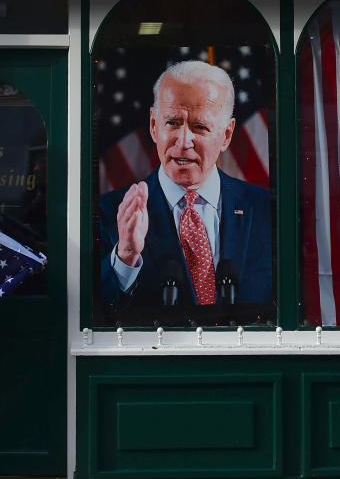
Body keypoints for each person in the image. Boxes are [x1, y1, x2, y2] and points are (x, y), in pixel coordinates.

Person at [98, 60, 272, 315]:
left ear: (226, 135)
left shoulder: (266, 210)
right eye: (173, 123)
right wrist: (126, 255)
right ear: (153, 125)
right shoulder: (111, 212)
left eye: (199, 127)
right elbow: (98, 313)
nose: (183, 141)